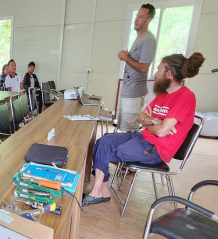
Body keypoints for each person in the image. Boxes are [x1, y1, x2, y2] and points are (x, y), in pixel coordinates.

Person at [82, 52, 205, 206]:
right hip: (142, 137)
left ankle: (98, 191)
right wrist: (151, 121)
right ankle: (101, 191)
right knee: (103, 142)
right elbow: (140, 116)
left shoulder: (185, 97)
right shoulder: (163, 93)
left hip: (157, 149)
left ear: (169, 74)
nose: (155, 74)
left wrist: (154, 126)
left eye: (159, 70)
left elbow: (161, 132)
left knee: (113, 151)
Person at [118, 3, 157, 132]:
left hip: (134, 92)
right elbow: (137, 61)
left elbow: (144, 68)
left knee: (129, 129)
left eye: (141, 17)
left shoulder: (148, 40)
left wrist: (126, 58)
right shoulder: (139, 38)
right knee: (124, 126)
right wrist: (129, 56)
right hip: (128, 91)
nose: (136, 19)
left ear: (148, 20)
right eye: (136, 16)